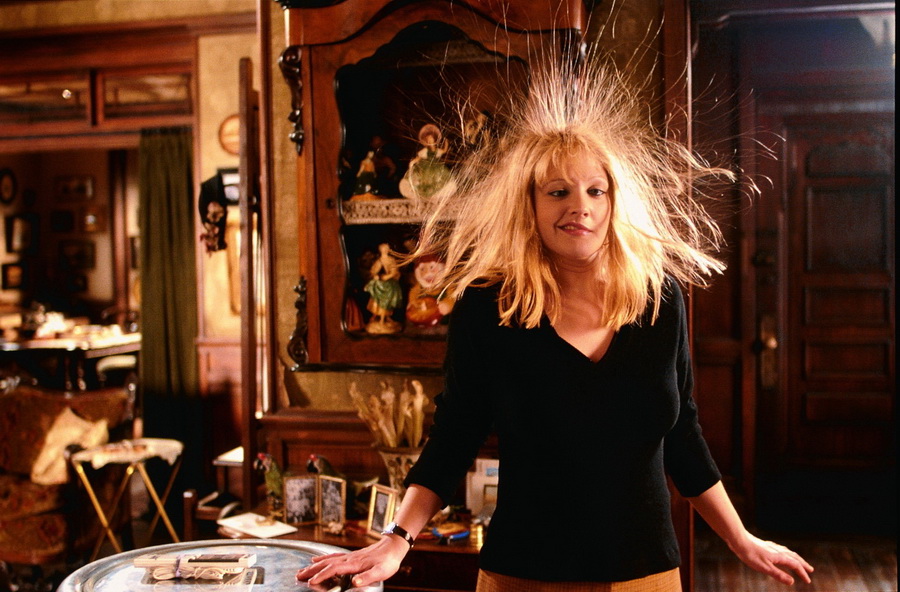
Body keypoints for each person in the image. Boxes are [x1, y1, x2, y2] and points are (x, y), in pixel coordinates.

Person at [297, 58, 814, 591]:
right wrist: (396, 539)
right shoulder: (489, 307)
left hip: (647, 575)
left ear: (615, 200)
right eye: (558, 191)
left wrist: (741, 539)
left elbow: (682, 434)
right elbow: (454, 436)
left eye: (596, 190)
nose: (580, 207)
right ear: (529, 204)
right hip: (523, 574)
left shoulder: (660, 300)